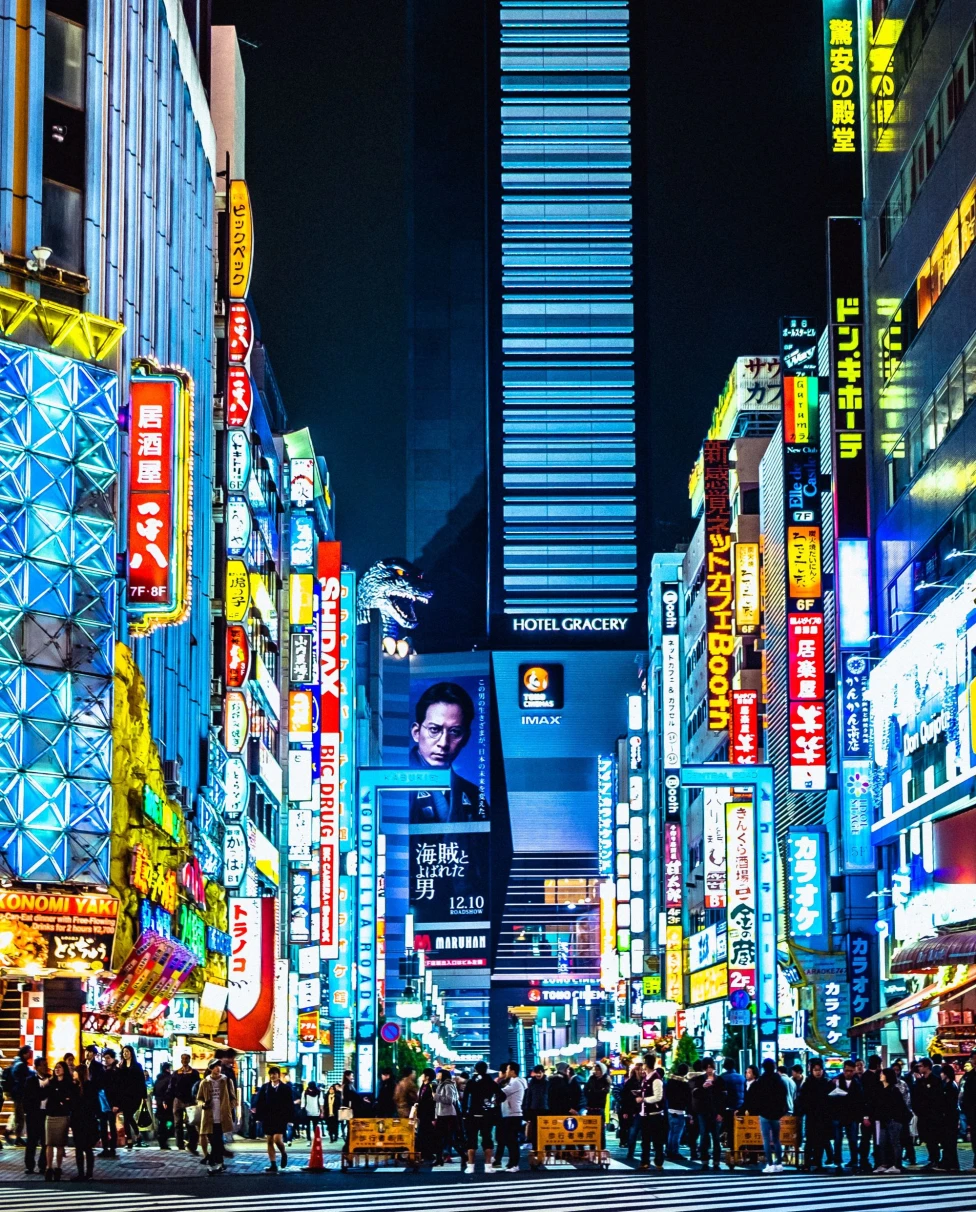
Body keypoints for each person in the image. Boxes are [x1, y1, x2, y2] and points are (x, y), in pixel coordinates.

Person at [409, 682, 489, 823]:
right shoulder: (395, 785)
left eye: (454, 732)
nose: (444, 743)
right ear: (416, 732)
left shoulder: (474, 795)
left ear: (466, 738)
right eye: (434, 730)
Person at [747, 1058, 788, 1174]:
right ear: (774, 1066)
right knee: (776, 1139)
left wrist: (757, 1109)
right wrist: (781, 1111)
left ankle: (769, 1164)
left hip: (764, 1113)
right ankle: (779, 1163)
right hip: (776, 1114)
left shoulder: (760, 1081)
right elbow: (783, 1096)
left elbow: (753, 1097)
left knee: (766, 1139)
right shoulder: (779, 1080)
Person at [462, 1060, 500, 1174]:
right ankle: (488, 1166)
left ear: (475, 1069)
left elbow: (465, 1099)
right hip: (487, 1113)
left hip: (472, 1113)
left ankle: (470, 1166)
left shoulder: (471, 1082)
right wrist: (493, 1103)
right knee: (487, 1139)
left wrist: (464, 1112)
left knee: (471, 1139)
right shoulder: (491, 1082)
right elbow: (501, 1095)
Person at [253, 1066, 295, 1172]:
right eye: (271, 1074)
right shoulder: (265, 1087)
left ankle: (283, 1153)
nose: (272, 1076)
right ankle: (273, 1164)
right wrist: (258, 1117)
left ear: (279, 1075)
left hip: (280, 1117)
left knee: (277, 1139)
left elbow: (290, 1104)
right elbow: (260, 1102)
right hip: (268, 1117)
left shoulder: (285, 1088)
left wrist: (290, 1119)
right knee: (269, 1140)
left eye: (274, 1074)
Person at [828, 1058, 865, 1172]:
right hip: (838, 1114)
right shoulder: (836, 1081)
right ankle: (837, 1161)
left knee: (852, 1139)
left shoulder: (857, 1082)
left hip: (851, 1115)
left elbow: (860, 1100)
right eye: (846, 1070)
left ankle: (854, 1160)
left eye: (851, 1071)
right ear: (843, 1070)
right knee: (838, 1139)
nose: (848, 1073)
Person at [198, 1060, 234, 1175]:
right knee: (214, 1141)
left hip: (222, 1115)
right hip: (209, 1116)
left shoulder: (227, 1081)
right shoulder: (205, 1082)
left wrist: (229, 1107)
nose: (218, 1068)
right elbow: (199, 1098)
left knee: (217, 1140)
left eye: (219, 1066)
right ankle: (219, 1163)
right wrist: (203, 1104)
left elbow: (233, 1098)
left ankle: (214, 1162)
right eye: (215, 1067)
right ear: (210, 1068)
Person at [690, 1057, 726, 1170]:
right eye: (707, 1067)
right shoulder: (700, 1079)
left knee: (716, 1137)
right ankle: (704, 1161)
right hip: (703, 1111)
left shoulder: (719, 1080)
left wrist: (721, 1113)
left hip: (715, 1111)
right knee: (704, 1135)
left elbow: (724, 1097)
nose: (709, 1069)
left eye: (711, 1067)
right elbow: (694, 1095)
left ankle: (716, 1162)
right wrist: (702, 1087)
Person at [796, 1058, 832, 1171]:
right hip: (811, 1116)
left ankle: (818, 1162)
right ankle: (807, 1163)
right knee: (810, 1141)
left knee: (820, 1141)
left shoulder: (827, 1082)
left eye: (819, 1069)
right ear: (811, 1070)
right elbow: (801, 1100)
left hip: (823, 1116)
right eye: (815, 1070)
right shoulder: (807, 1083)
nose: (818, 1072)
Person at [874, 1066, 910, 1174]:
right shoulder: (882, 1089)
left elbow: (899, 1107)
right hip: (884, 1120)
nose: (881, 1075)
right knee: (883, 1142)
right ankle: (885, 1164)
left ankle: (896, 1165)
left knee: (895, 1143)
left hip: (894, 1120)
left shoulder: (894, 1090)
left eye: (883, 1074)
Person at [43, 1060, 76, 1181]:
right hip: (51, 1114)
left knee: (60, 1143)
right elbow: (45, 1094)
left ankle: (58, 1167)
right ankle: (49, 1167)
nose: (57, 1069)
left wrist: (64, 1101)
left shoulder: (69, 1083)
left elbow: (70, 1099)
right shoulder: (51, 1082)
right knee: (49, 1143)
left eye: (60, 1067)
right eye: (56, 1067)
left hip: (62, 1115)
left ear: (64, 1070)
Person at [635, 1052, 667, 1171]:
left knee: (657, 1140)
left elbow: (658, 1097)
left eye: (643, 1063)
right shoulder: (646, 1079)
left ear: (646, 1064)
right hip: (645, 1113)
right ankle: (645, 1161)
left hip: (654, 1114)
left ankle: (658, 1161)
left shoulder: (656, 1079)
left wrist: (643, 1099)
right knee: (645, 1140)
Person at [71, 1064, 101, 1182]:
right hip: (83, 1120)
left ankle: (84, 1173)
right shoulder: (77, 1086)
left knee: (84, 1147)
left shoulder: (86, 1087)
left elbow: (93, 1104)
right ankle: (86, 1173)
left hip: (84, 1120)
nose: (73, 1074)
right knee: (82, 1148)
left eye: (75, 1072)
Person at [913, 1057, 942, 1170]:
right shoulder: (921, 1080)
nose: (918, 1068)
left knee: (933, 1138)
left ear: (926, 1066)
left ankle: (935, 1159)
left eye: (920, 1066)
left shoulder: (935, 1080)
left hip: (932, 1115)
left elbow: (933, 1097)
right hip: (922, 1114)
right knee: (926, 1138)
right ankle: (932, 1158)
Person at [497, 1061, 526, 1173]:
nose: (506, 1071)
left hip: (513, 1114)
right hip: (511, 1113)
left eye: (508, 1069)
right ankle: (511, 1163)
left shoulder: (516, 1082)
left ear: (513, 1071)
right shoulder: (515, 1081)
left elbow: (502, 1092)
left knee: (512, 1140)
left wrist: (497, 1082)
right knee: (509, 1140)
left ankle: (514, 1164)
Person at [117, 1045, 147, 1149]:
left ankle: (136, 1137)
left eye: (127, 1051)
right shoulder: (121, 1066)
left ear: (131, 1053)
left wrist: (144, 1095)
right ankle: (131, 1139)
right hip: (124, 1096)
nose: (125, 1053)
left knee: (128, 1116)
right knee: (127, 1117)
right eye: (124, 1052)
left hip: (135, 1096)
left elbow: (141, 1081)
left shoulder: (137, 1066)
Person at [169, 1053, 200, 1152]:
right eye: (183, 1058)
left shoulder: (194, 1073)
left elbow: (197, 1086)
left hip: (190, 1101)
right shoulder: (176, 1073)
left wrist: (196, 1097)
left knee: (190, 1123)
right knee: (177, 1124)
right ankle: (180, 1144)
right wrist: (167, 1099)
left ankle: (192, 1144)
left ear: (189, 1060)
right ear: (181, 1060)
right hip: (178, 1100)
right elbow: (171, 1086)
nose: (185, 1060)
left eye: (186, 1058)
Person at [22, 1058, 48, 1176]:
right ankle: (30, 1166)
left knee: (45, 1141)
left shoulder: (50, 1079)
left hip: (46, 1113)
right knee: (32, 1141)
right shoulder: (30, 1080)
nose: (45, 1067)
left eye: (46, 1065)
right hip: (34, 1114)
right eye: (42, 1065)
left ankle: (43, 1165)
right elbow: (29, 1097)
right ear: (36, 1067)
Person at [4, 1046, 33, 1144]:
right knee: (19, 1116)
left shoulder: (18, 1063)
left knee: (18, 1114)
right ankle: (15, 1135)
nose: (30, 1054)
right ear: (24, 1053)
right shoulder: (20, 1065)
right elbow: (22, 1079)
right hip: (19, 1094)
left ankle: (13, 1134)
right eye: (29, 1052)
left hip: (17, 1093)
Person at [859, 1054, 882, 1173]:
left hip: (869, 1114)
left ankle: (864, 1160)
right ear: (878, 1065)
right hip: (874, 1113)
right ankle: (874, 1161)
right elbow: (867, 1098)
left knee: (866, 1139)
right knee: (874, 1139)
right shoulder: (875, 1077)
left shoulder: (864, 1077)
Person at [433, 1068, 460, 1165]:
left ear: (443, 1075)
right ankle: (439, 1159)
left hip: (448, 1115)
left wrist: (436, 1096)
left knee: (448, 1138)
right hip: (441, 1115)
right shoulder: (440, 1085)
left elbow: (449, 1100)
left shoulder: (448, 1085)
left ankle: (463, 1155)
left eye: (439, 1073)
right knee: (439, 1138)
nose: (437, 1074)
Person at [664, 1062, 691, 1160]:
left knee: (671, 1131)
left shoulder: (670, 1081)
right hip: (679, 1110)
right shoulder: (684, 1084)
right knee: (677, 1133)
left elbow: (666, 1094)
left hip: (670, 1109)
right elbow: (688, 1098)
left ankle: (669, 1150)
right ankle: (674, 1151)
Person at [583, 1062, 611, 1149]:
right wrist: (595, 1091)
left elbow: (602, 1093)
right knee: (590, 1130)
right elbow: (586, 1091)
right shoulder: (591, 1079)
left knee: (601, 1130)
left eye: (598, 1070)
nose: (596, 1072)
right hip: (590, 1107)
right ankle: (592, 1148)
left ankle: (601, 1149)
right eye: (596, 1070)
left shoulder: (606, 1080)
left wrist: (594, 1091)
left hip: (599, 1108)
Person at [938, 1061, 960, 1172]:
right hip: (950, 1117)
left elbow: (949, 1103)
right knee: (948, 1141)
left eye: (942, 1073)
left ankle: (949, 1163)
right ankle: (951, 1163)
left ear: (946, 1074)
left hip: (949, 1118)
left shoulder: (950, 1086)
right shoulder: (950, 1085)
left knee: (949, 1141)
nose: (940, 1075)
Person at [619, 1061, 643, 1160]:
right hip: (633, 1110)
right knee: (633, 1131)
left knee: (644, 1133)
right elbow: (624, 1097)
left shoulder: (645, 1081)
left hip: (643, 1109)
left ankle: (642, 1153)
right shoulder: (630, 1082)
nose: (643, 1072)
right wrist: (625, 1111)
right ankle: (630, 1152)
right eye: (641, 1070)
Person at [99, 1049, 120, 1157]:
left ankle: (112, 1148)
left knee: (111, 1126)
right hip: (103, 1101)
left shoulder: (116, 1071)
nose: (106, 1060)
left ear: (113, 1058)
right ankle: (105, 1148)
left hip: (111, 1102)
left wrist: (116, 1104)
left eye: (108, 1058)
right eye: (105, 1058)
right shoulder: (104, 1070)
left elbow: (117, 1089)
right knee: (103, 1126)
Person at [523, 1064, 548, 1150]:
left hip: (545, 1110)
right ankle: (535, 1147)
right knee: (534, 1131)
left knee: (546, 1130)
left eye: (540, 1073)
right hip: (534, 1110)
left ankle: (546, 1149)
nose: (538, 1075)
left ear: (543, 1072)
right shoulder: (532, 1083)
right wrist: (527, 1110)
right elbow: (528, 1097)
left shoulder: (547, 1083)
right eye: (536, 1073)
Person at [415, 1068, 438, 1163]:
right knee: (423, 1133)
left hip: (428, 1114)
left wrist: (433, 1117)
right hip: (422, 1114)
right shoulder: (422, 1086)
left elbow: (434, 1102)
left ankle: (428, 1154)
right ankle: (423, 1153)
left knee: (427, 1134)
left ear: (427, 1077)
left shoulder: (432, 1086)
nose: (421, 1076)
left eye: (423, 1074)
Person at [153, 1062, 173, 1149]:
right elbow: (170, 1091)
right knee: (170, 1122)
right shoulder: (169, 1079)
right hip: (167, 1104)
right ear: (167, 1069)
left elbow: (154, 1092)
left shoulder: (157, 1079)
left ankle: (161, 1140)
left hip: (159, 1104)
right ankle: (164, 1139)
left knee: (162, 1122)